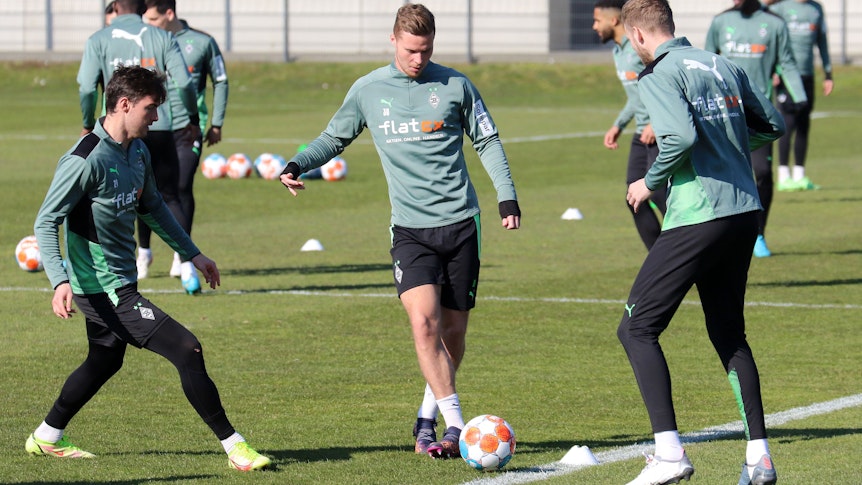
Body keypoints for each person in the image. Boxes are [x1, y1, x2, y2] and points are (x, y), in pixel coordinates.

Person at [279, 3, 521, 459]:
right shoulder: (369, 90)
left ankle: (427, 417)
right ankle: (456, 429)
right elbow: (335, 137)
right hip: (410, 231)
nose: (418, 59)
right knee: (423, 323)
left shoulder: (455, 85)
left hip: (462, 225)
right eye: (411, 50)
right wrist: (298, 164)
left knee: (453, 334)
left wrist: (506, 195)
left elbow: (486, 139)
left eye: (426, 50)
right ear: (393, 40)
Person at [29, 66, 270, 471]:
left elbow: (152, 206)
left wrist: (192, 253)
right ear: (124, 104)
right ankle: (236, 448)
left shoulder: (137, 150)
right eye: (151, 108)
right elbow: (45, 220)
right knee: (186, 348)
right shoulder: (84, 159)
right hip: (102, 289)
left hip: (120, 280)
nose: (157, 117)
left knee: (104, 360)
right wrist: (59, 280)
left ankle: (46, 437)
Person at [617, 0, 785, 483]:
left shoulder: (659, 75)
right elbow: (771, 124)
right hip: (744, 213)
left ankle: (669, 454)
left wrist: (649, 183)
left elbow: (680, 139)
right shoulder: (721, 63)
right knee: (729, 332)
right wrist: (729, 146)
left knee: (636, 329)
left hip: (700, 215)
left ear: (638, 35)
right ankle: (759, 457)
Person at [77, 0, 201, 292]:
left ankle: (137, 258)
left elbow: (85, 86)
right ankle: (186, 266)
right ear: (143, 6)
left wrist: (86, 122)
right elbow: (184, 83)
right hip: (160, 129)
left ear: (116, 6)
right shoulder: (162, 36)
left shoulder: (98, 39)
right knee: (168, 196)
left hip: (117, 134)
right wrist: (192, 117)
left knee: (124, 195)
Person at [705, 0, 807, 258]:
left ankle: (758, 234)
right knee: (721, 173)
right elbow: (705, 62)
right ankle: (718, 234)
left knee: (761, 171)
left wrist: (799, 95)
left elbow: (787, 62)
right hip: (722, 111)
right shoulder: (720, 22)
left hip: (757, 113)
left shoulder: (774, 24)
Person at [143, 0, 230, 287]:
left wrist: (215, 122)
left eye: (154, 19)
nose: (149, 24)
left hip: (187, 129)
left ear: (169, 14)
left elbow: (221, 80)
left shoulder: (203, 43)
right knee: (145, 189)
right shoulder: (147, 41)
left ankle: (184, 255)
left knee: (180, 187)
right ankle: (143, 251)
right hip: (154, 129)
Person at [593, 0, 666, 250]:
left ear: (613, 21)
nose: (593, 26)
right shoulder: (617, 52)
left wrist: (656, 123)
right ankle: (660, 256)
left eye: (596, 20)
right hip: (640, 133)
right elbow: (635, 96)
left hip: (659, 133)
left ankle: (693, 249)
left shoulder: (639, 48)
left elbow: (666, 85)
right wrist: (618, 125)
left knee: (660, 195)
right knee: (633, 197)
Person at [765, 0, 833, 191]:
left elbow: (823, 42)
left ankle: (800, 175)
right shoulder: (780, 8)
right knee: (788, 123)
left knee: (803, 123)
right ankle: (784, 175)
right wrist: (773, 69)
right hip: (786, 75)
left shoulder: (816, 9)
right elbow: (770, 39)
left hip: (807, 75)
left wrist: (828, 74)